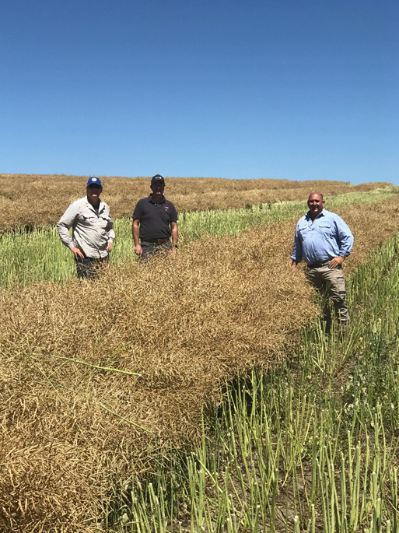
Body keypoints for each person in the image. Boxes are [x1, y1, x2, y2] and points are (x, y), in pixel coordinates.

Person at [291, 192, 354, 333]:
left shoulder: (332, 218)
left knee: (339, 301)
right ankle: (325, 335)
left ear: (323, 203)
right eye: (311, 201)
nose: (314, 204)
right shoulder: (301, 222)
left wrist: (341, 256)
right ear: (308, 203)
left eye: (317, 201)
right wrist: (294, 264)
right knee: (320, 303)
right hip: (311, 270)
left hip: (330, 267)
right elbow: (298, 245)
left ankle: (344, 335)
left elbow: (348, 237)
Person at [57, 176, 115, 279]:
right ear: (87, 189)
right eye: (91, 187)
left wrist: (110, 240)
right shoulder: (77, 206)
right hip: (85, 257)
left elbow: (109, 227)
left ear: (101, 190)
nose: (94, 189)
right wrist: (72, 246)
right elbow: (62, 225)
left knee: (104, 289)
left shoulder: (105, 207)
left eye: (97, 187)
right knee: (86, 289)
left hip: (103, 256)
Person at [132, 174, 178, 260]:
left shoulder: (169, 205)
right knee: (146, 272)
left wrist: (174, 247)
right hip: (147, 246)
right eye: (156, 185)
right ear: (151, 187)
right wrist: (137, 244)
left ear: (164, 187)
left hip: (165, 245)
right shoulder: (142, 204)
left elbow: (174, 226)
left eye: (160, 185)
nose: (158, 187)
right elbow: (135, 224)